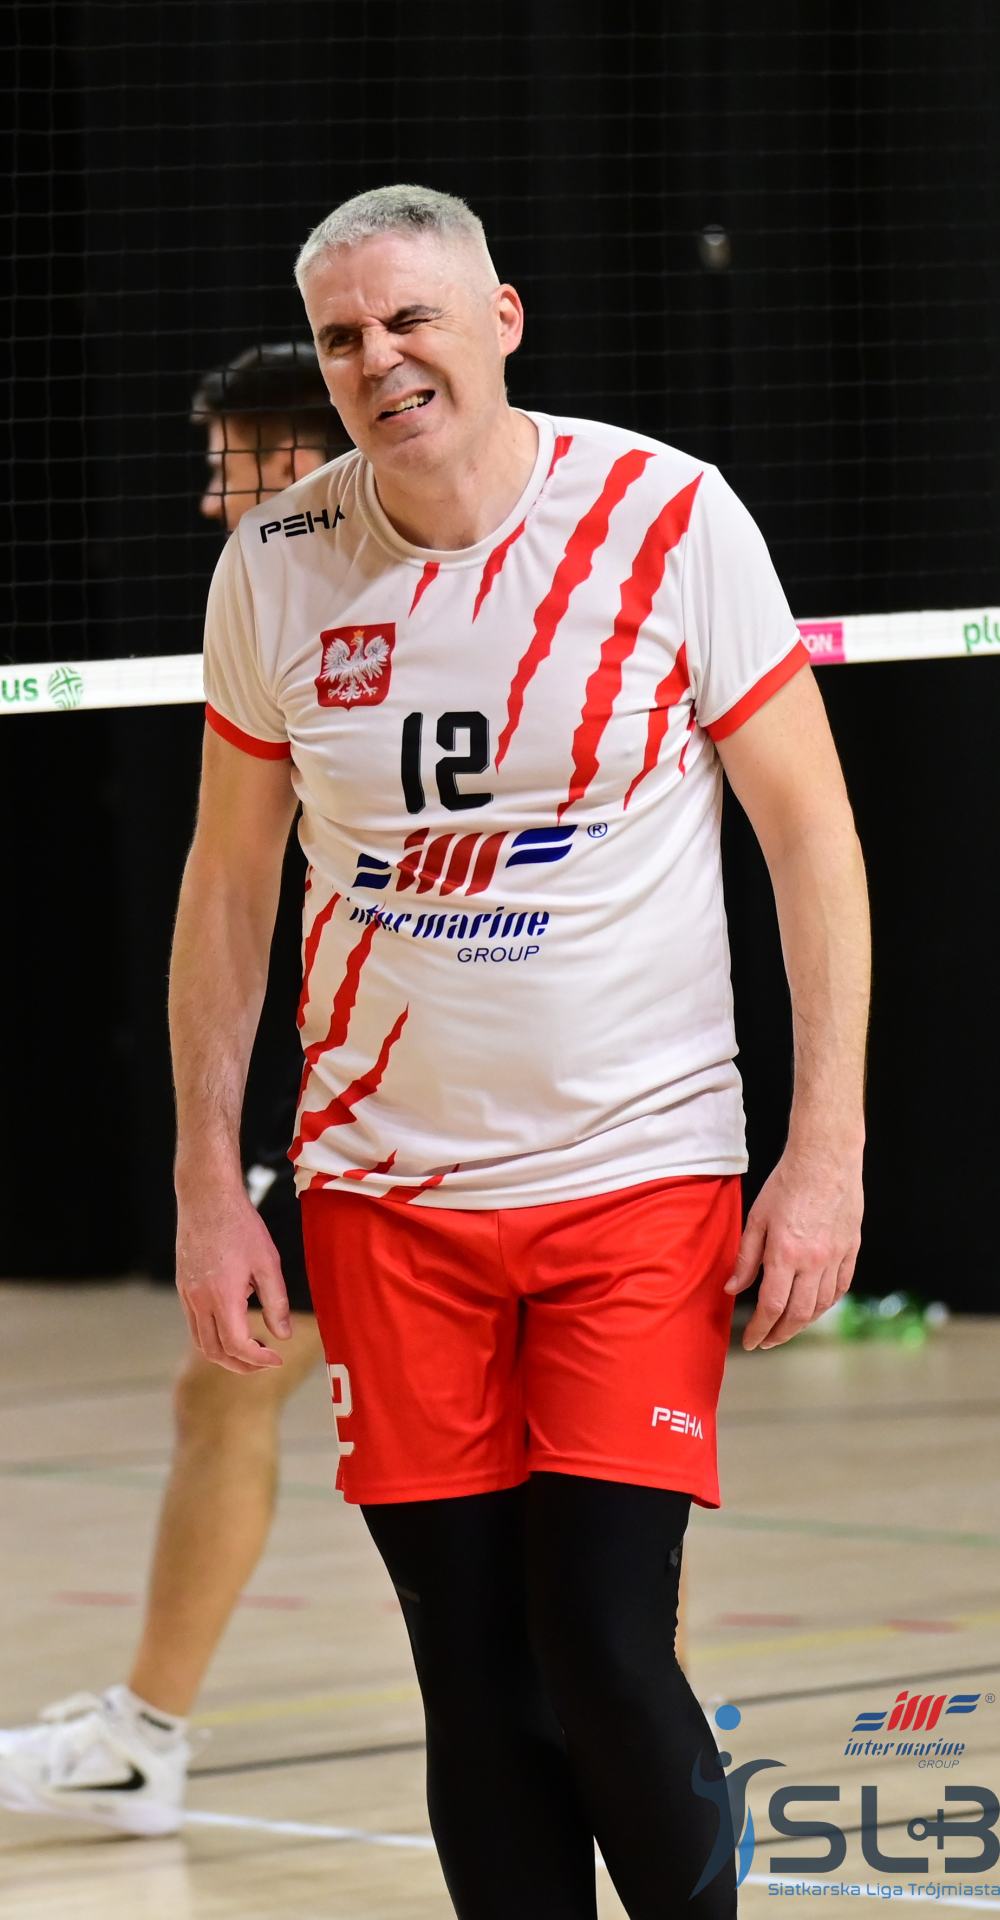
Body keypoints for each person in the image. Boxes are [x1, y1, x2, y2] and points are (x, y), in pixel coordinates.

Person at [171, 185, 870, 1919]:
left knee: (607, 1646)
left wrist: (827, 1150)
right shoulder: (274, 565)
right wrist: (205, 1181)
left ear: (501, 320)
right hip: (386, 1198)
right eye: (343, 337)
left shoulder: (667, 516)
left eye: (411, 318)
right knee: (471, 1669)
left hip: (637, 1175)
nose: (379, 359)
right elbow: (228, 883)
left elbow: (812, 839)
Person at [0, 344, 352, 1837]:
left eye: (235, 466)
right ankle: (143, 1736)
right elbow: (233, 883)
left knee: (560, 1466)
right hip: (346, 1087)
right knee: (226, 1384)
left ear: (309, 461)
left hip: (479, 1101)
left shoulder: (456, 600)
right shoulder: (269, 614)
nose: (212, 499)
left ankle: (649, 1750)